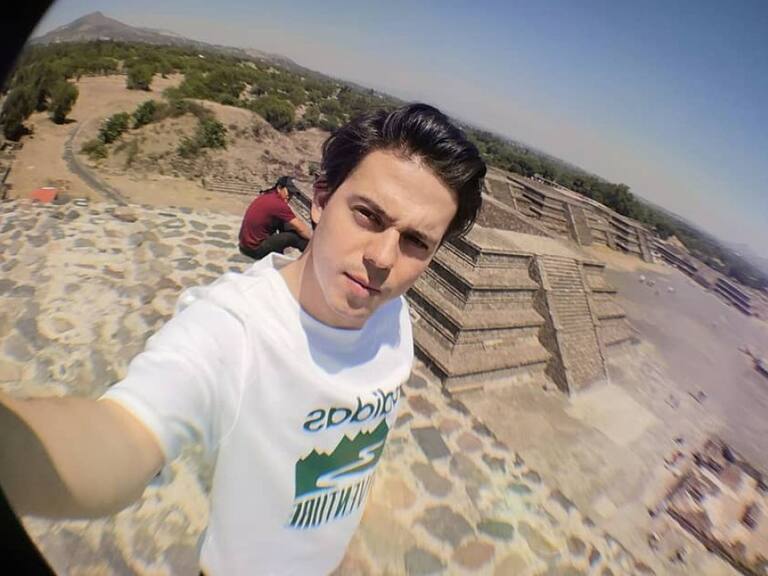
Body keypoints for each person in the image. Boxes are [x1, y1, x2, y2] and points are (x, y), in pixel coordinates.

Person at [0, 103, 486, 575]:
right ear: (320, 201)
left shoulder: (393, 313)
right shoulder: (233, 330)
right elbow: (124, 437)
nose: (383, 258)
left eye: (415, 242)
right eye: (368, 216)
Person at [239, 175, 313, 260]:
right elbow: (301, 228)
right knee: (293, 237)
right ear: (279, 188)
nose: (290, 196)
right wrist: (314, 240)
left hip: (245, 245)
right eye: (289, 192)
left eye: (292, 194)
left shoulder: (268, 196)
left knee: (286, 224)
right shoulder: (277, 203)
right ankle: (312, 256)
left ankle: (282, 254)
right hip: (254, 249)